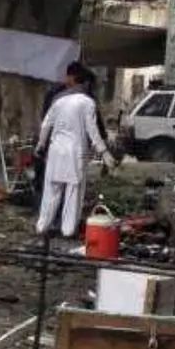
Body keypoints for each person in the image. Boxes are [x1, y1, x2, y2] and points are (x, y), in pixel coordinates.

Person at [35, 62, 112, 239]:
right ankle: (68, 230)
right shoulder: (87, 103)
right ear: (84, 84)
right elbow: (92, 130)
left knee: (51, 192)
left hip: (55, 152)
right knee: (73, 193)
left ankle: (42, 226)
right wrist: (105, 153)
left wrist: (40, 147)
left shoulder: (58, 100)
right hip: (75, 154)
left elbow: (46, 125)